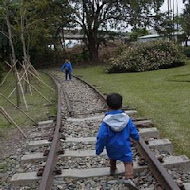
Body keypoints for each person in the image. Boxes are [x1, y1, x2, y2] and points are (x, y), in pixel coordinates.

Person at [96, 93, 139, 190]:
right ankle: (129, 177)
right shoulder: (126, 119)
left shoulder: (106, 121)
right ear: (121, 105)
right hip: (124, 146)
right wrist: (137, 138)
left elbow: (101, 136)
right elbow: (133, 130)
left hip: (111, 147)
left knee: (112, 158)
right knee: (128, 161)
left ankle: (112, 170)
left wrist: (99, 149)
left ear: (108, 106)